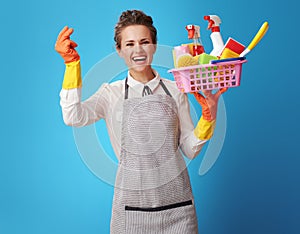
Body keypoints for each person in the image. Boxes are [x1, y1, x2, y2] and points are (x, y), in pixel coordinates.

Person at [55, 9, 226, 234]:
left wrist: (207, 118)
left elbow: (189, 149)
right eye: (129, 44)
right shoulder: (110, 94)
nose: (138, 50)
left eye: (144, 42)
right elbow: (73, 116)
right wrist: (71, 65)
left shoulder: (175, 89)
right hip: (130, 212)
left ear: (154, 46)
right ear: (119, 50)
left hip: (178, 210)